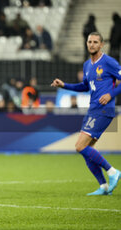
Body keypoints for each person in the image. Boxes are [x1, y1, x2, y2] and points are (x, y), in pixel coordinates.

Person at [51, 32, 121, 195]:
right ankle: (103, 186)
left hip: (104, 110)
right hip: (93, 109)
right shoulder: (87, 65)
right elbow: (84, 86)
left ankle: (112, 172)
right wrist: (64, 85)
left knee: (79, 146)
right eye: (89, 42)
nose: (92, 44)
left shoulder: (108, 62)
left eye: (95, 42)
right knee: (87, 150)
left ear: (101, 45)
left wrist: (111, 94)